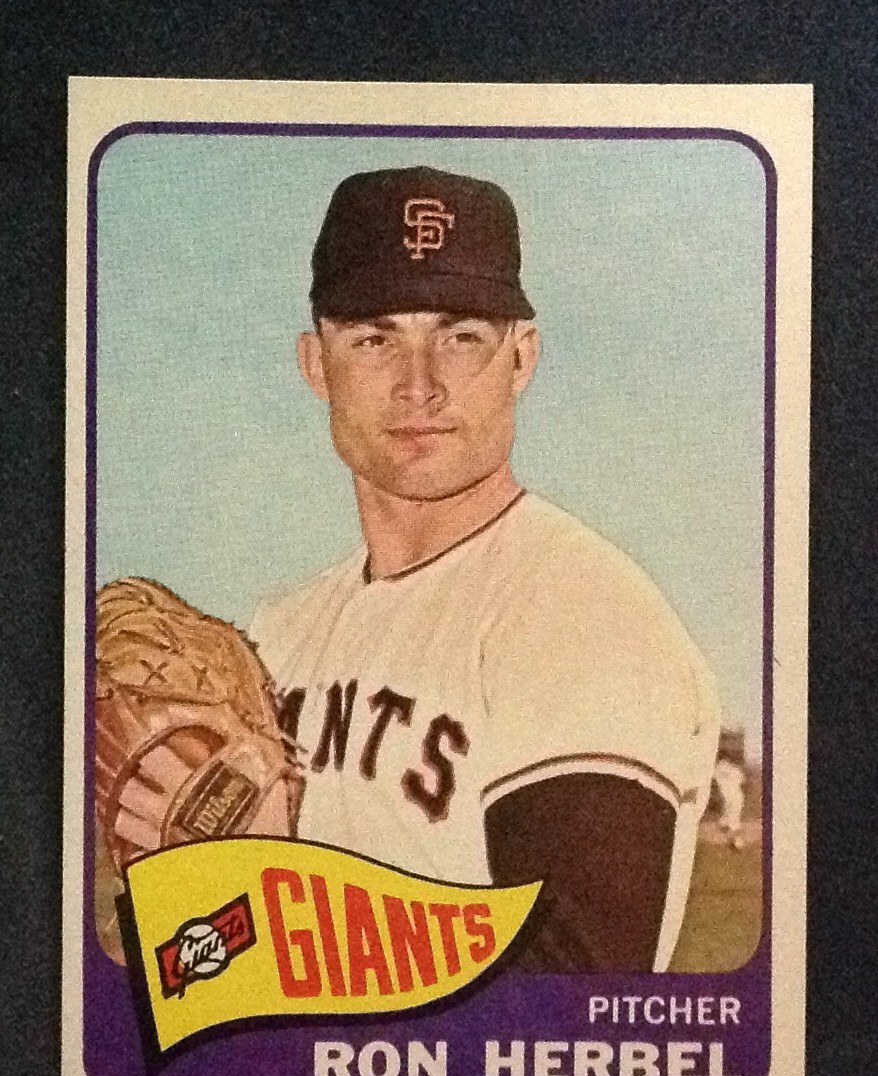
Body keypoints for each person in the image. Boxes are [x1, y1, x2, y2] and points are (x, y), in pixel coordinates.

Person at [249, 166, 720, 973]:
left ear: (521, 357)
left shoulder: (583, 615)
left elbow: (570, 1002)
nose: (420, 386)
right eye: (374, 338)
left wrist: (256, 878)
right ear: (315, 364)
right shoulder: (276, 635)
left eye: (461, 335)